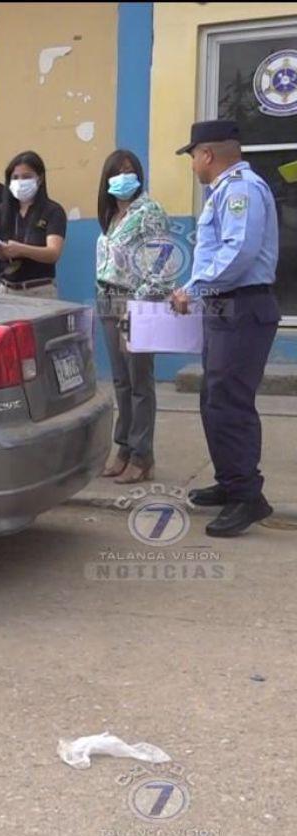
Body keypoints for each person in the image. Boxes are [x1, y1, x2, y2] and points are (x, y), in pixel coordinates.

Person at [171, 120, 280, 538]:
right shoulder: (225, 191)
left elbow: (239, 252)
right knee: (214, 398)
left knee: (229, 403)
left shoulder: (241, 190)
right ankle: (230, 480)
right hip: (225, 308)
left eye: (193, 156)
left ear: (208, 154)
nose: (193, 164)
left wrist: (194, 289)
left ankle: (247, 497)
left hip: (242, 308)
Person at [94, 148, 173, 485]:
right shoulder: (112, 215)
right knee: (121, 381)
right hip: (108, 301)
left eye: (129, 170)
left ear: (139, 175)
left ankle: (143, 456)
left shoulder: (149, 211)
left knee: (140, 382)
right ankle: (123, 449)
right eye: (117, 171)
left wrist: (137, 307)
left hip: (136, 302)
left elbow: (162, 265)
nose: (123, 176)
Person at [0, 151, 67, 297]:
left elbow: (53, 253)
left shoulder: (53, 210)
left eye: (26, 177)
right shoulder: (3, 209)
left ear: (39, 179)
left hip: (39, 290)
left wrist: (21, 250)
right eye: (15, 177)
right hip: (6, 290)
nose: (20, 182)